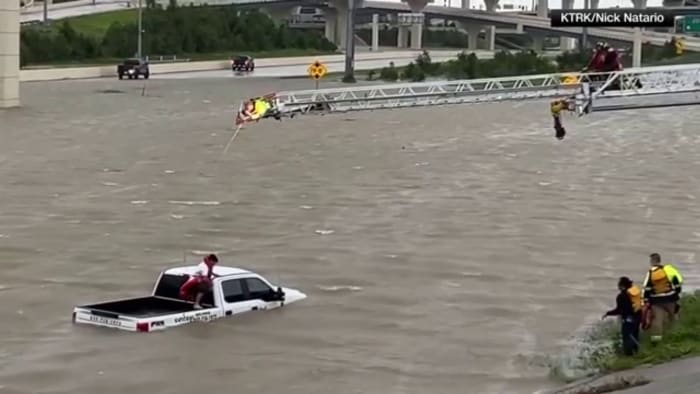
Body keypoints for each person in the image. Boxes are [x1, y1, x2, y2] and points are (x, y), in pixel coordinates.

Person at [642, 253, 683, 344]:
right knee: (674, 317)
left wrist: (646, 300)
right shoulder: (668, 270)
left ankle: (656, 343)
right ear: (659, 260)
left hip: (656, 302)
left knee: (657, 321)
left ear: (652, 261)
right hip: (670, 299)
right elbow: (676, 283)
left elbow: (647, 288)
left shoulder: (650, 273)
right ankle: (677, 337)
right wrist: (676, 293)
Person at [602, 276, 643, 356]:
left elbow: (620, 310)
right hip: (637, 318)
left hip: (628, 320)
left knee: (627, 338)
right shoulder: (634, 293)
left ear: (622, 286)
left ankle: (629, 356)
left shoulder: (621, 296)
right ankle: (637, 353)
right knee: (635, 336)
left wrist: (608, 313)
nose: (618, 286)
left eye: (619, 285)